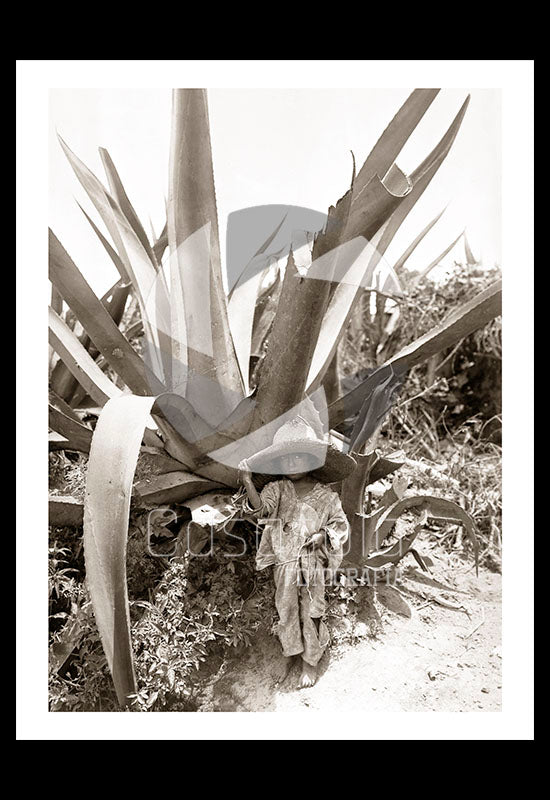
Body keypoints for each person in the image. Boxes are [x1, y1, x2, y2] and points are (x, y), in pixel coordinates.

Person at [237, 416, 356, 688]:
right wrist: (247, 481)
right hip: (285, 565)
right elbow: (261, 511)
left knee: (312, 611)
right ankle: (290, 653)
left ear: (313, 460)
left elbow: (339, 525)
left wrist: (322, 535)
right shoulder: (277, 490)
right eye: (285, 458)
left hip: (313, 568)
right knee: (286, 610)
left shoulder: (327, 497)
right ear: (278, 463)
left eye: (299, 457)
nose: (291, 463)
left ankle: (310, 661)